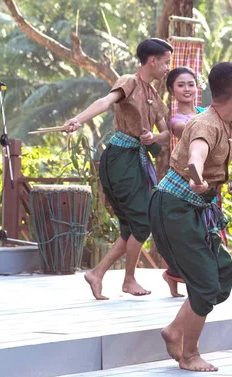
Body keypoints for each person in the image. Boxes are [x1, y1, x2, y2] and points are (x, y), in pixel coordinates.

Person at [149, 62, 232, 372]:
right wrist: (196, 175)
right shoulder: (205, 124)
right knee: (204, 282)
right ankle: (189, 353)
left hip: (196, 209)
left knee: (222, 273)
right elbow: (196, 153)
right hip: (173, 207)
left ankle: (174, 330)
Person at [64, 38, 172, 300]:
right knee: (142, 221)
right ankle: (129, 279)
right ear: (152, 60)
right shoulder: (129, 81)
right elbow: (105, 101)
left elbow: (167, 133)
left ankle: (97, 273)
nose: (168, 68)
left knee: (132, 225)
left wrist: (154, 139)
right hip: (121, 158)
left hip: (136, 159)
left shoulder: (154, 94)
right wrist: (78, 120)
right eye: (166, 62)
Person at [161, 67, 205, 298]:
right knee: (187, 235)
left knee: (205, 232)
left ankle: (189, 280)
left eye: (191, 84)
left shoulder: (205, 112)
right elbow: (193, 131)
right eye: (181, 85)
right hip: (184, 182)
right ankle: (176, 277)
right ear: (171, 90)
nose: (187, 89)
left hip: (207, 181)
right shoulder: (176, 121)